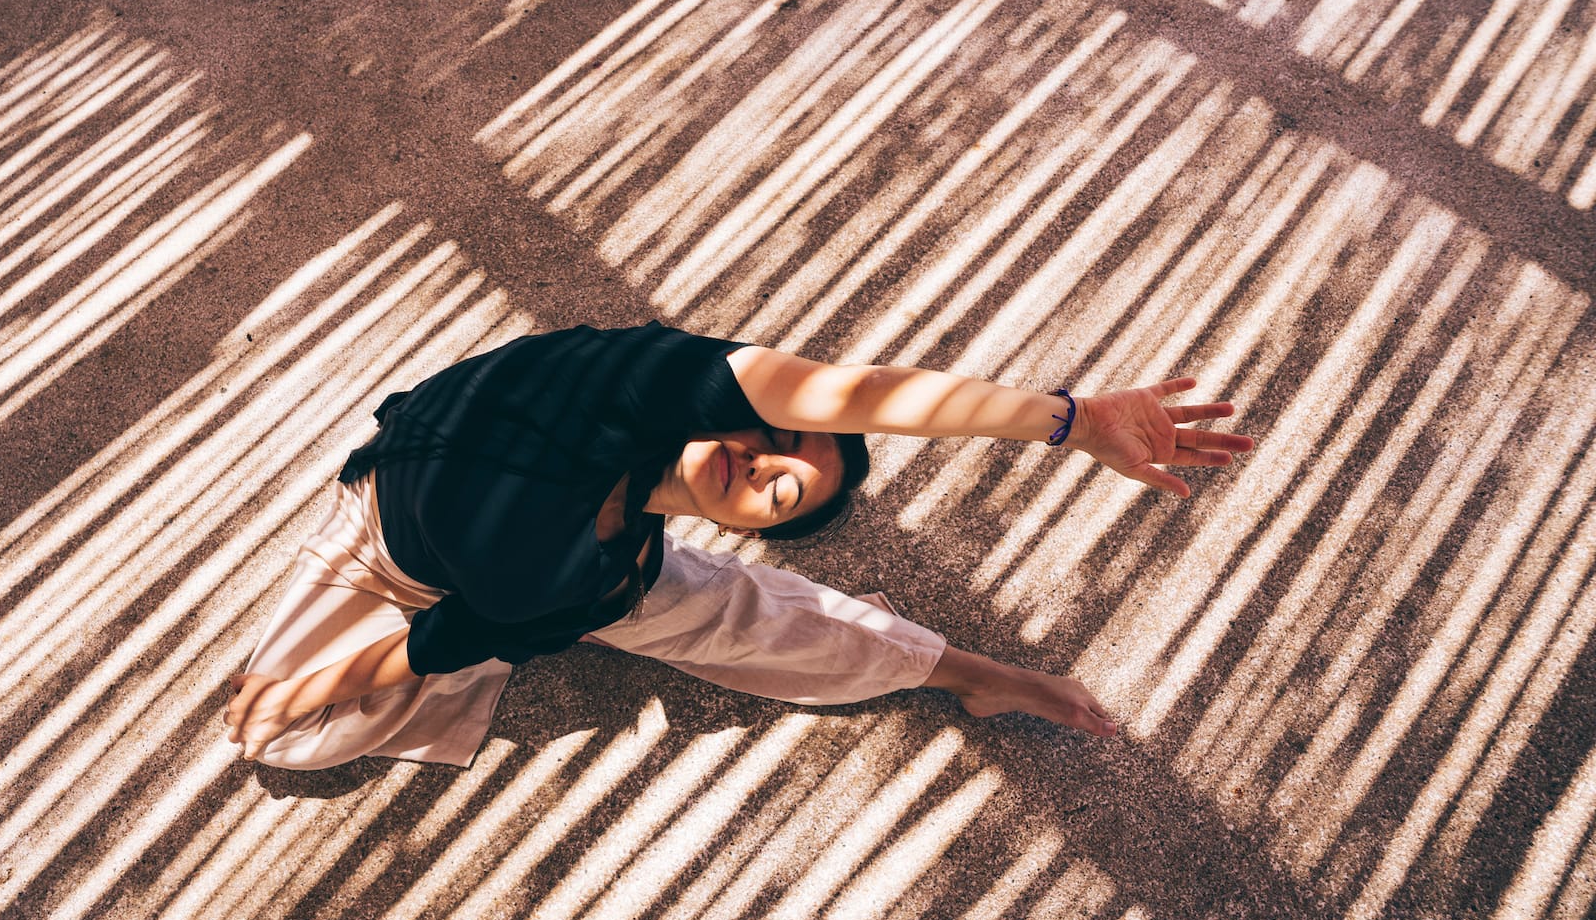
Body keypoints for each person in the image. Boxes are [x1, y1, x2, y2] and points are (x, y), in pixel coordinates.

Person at [225, 322, 1254, 769]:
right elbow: (848, 392)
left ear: (749, 523)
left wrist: (336, 679)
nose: (762, 464)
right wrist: (1067, 419)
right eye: (771, 435)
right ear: (723, 403)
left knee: (743, 616)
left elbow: (458, 637)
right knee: (274, 736)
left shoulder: (591, 579)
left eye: (782, 492)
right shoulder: (607, 386)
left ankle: (981, 676)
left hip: (573, 585)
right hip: (384, 549)